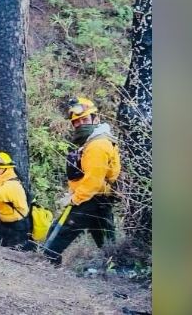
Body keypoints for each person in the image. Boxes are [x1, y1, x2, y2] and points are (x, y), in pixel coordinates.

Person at [42, 96, 122, 265]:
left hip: (89, 199)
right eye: (76, 122)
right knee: (108, 244)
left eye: (84, 119)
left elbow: (93, 181)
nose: (80, 124)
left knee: (56, 237)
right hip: (99, 199)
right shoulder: (94, 141)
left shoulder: (97, 145)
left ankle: (45, 269)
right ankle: (115, 270)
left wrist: (74, 199)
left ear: (96, 119)